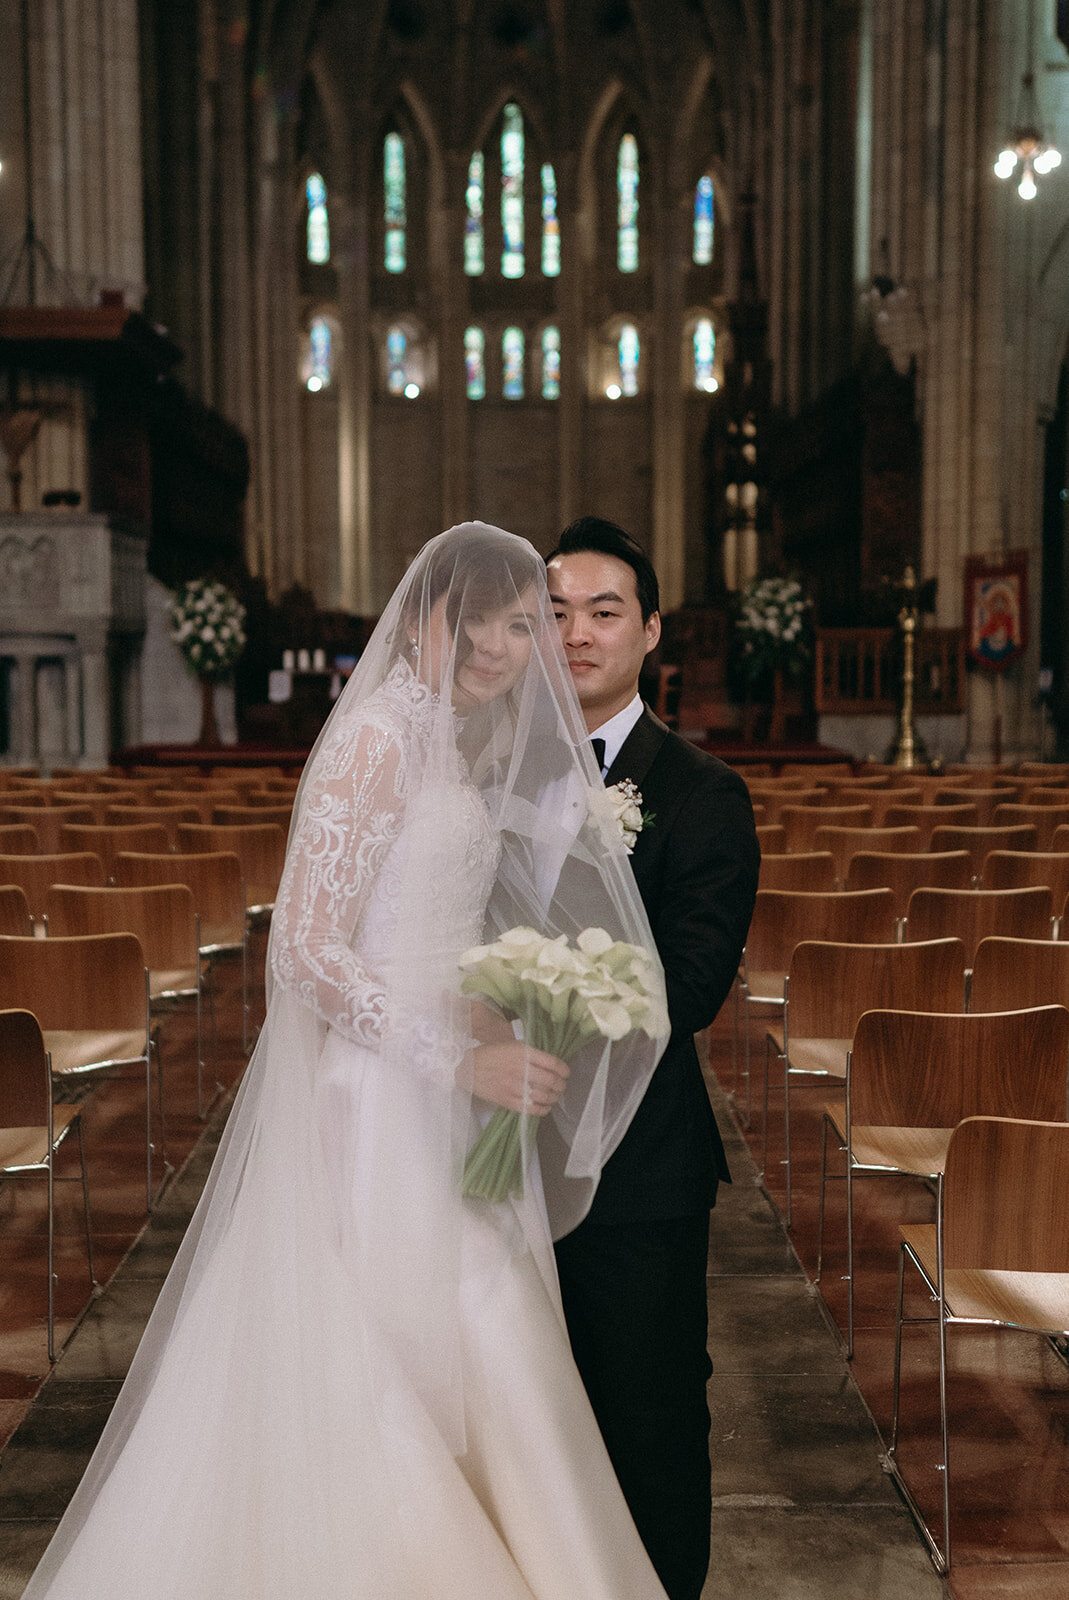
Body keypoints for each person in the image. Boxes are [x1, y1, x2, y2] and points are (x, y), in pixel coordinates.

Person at [22, 523, 673, 1600]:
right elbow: (308, 952)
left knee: (480, 1343)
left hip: (447, 1088)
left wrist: (488, 1014)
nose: (511, 647)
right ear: (429, 619)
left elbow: (414, 933)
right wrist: (454, 1059)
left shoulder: (449, 743)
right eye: (492, 621)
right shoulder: (376, 739)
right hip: (379, 1102)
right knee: (396, 1356)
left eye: (525, 625)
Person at [546, 516, 760, 1600]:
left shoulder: (699, 791)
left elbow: (687, 988)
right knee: (523, 1431)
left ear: (651, 630)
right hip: (493, 1160)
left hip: (637, 1168)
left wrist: (521, 1008)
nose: (575, 633)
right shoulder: (491, 778)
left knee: (648, 1423)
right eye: (554, 610)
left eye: (603, 610)